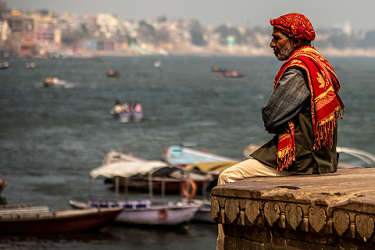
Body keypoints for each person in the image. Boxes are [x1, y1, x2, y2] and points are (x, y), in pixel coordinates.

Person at [216, 13, 345, 250]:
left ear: (295, 41)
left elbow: (272, 117)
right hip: (324, 159)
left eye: (277, 39)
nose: (272, 44)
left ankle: (224, 245)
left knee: (227, 177)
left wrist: (275, 118)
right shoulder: (319, 62)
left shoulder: (298, 69)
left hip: (302, 159)